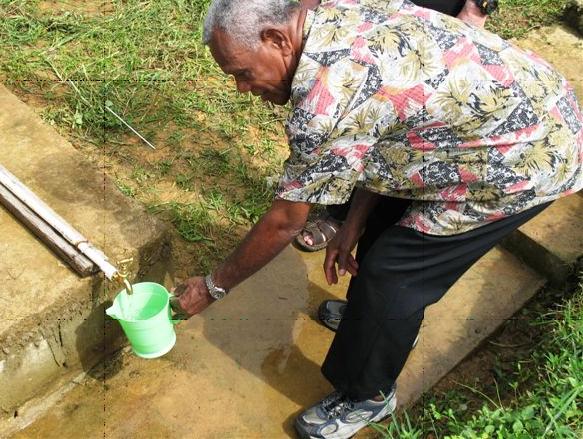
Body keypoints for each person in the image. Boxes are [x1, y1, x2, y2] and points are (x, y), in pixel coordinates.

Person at [173, 1, 583, 438]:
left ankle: (367, 395)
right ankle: (375, 325)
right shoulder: (333, 13)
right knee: (383, 232)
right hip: (514, 111)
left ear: (276, 39)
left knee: (394, 274)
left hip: (529, 158)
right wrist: (352, 223)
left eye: (241, 73)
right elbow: (387, 132)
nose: (240, 88)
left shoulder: (327, 99)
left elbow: (285, 222)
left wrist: (212, 287)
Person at [296, 0, 492, 251]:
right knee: (354, 97)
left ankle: (349, 216)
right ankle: (333, 204)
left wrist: (476, 11)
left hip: (441, 14)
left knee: (400, 121)